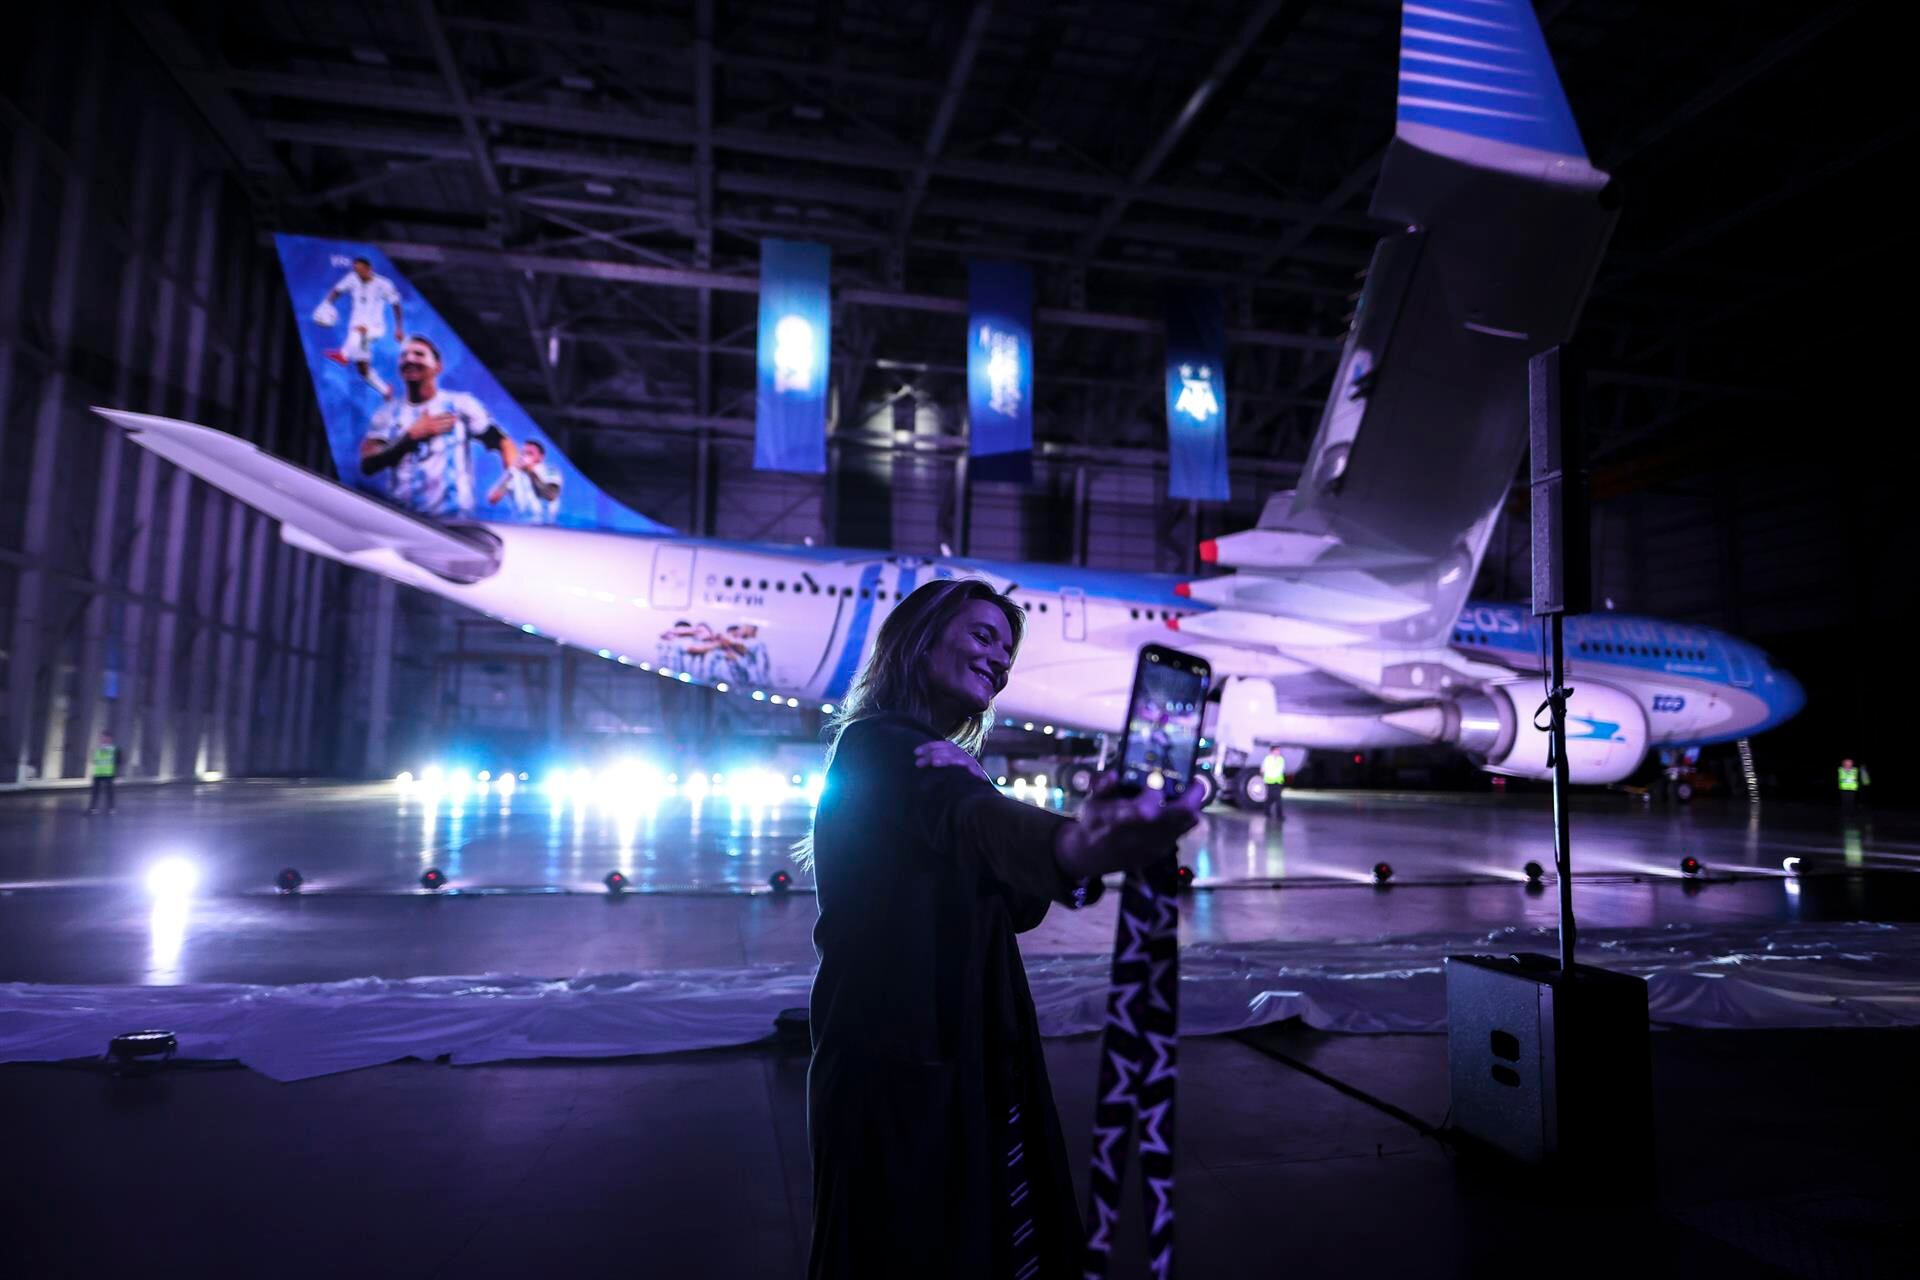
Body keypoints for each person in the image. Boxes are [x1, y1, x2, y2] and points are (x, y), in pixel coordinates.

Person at [800, 578, 1206, 1280]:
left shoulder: (946, 764)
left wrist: (1002, 803)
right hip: (897, 1063)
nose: (999, 660)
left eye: (1007, 651)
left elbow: (1015, 901)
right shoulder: (881, 746)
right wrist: (1076, 843)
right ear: (920, 639)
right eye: (983, 635)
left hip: (961, 1049)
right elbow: (969, 819)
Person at [359, 335, 518, 517]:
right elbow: (368, 465)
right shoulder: (387, 413)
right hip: (403, 520)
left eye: (419, 354)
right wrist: (410, 438)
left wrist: (506, 483)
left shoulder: (461, 405)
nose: (409, 359)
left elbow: (503, 442)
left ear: (438, 366)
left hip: (453, 522)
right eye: (404, 355)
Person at [314, 256, 403, 398]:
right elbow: (337, 290)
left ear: (369, 269)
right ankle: (386, 390)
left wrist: (399, 328)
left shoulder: (384, 284)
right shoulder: (352, 278)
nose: (358, 273)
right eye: (356, 270)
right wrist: (327, 303)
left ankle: (343, 355)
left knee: (360, 331)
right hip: (356, 333)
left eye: (361, 270)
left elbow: (396, 304)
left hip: (375, 328)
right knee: (363, 368)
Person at [486, 437, 564, 523]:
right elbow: (492, 499)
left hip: (545, 524)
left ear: (541, 457)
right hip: (520, 525)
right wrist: (510, 472)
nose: (525, 456)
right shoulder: (514, 474)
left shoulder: (549, 470)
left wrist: (531, 472)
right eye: (523, 453)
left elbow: (551, 495)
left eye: (530, 453)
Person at [86, 730, 120, 814]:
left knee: (109, 792)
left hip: (109, 773)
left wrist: (115, 771)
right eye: (102, 737)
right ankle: (93, 808)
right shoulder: (98, 748)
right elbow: (95, 760)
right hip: (98, 773)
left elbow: (118, 761)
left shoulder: (114, 749)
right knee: (95, 792)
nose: (103, 739)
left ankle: (111, 808)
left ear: (110, 738)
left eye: (104, 737)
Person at [1262, 744, 1287, 820]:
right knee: (1270, 798)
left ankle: (1279, 815)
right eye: (1277, 750)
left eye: (1279, 750)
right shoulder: (1267, 759)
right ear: (1272, 751)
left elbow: (1282, 770)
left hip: (1278, 781)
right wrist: (1264, 778)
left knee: (1278, 798)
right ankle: (1267, 812)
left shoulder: (1281, 759)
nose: (1278, 752)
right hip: (1270, 781)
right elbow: (1263, 770)